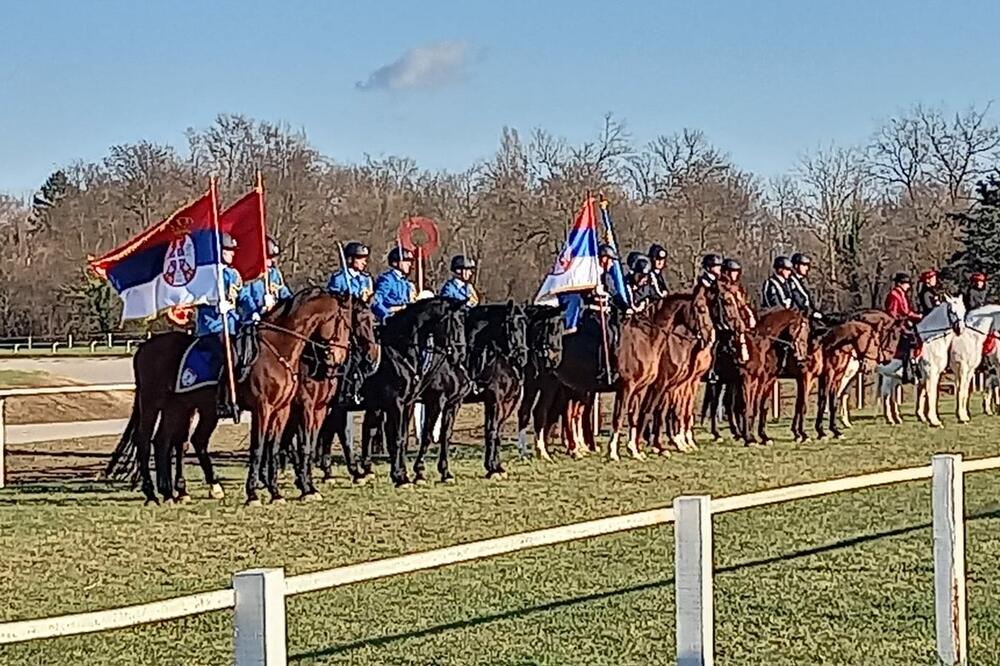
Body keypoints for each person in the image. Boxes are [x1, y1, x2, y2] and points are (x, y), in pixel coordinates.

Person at [193, 232, 254, 418]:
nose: (232, 253)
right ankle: (222, 399)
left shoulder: (234, 274)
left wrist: (254, 311)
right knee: (231, 358)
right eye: (228, 250)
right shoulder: (206, 274)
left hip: (233, 325)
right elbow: (195, 296)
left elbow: (243, 297)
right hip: (211, 326)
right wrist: (213, 303)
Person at [242, 236, 292, 321]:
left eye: (273, 258)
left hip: (275, 317)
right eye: (269, 258)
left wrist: (291, 302)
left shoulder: (274, 274)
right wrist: (254, 311)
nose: (273, 261)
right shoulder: (251, 276)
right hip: (255, 319)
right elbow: (245, 297)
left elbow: (283, 292)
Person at [884, 272, 922, 383]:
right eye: (906, 283)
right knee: (909, 341)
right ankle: (905, 370)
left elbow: (906, 311)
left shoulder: (901, 294)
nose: (908, 286)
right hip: (896, 324)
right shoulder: (894, 295)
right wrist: (915, 316)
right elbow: (894, 312)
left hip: (904, 322)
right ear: (900, 284)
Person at [371, 246, 416, 323]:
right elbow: (376, 302)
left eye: (411, 261)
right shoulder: (387, 280)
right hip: (393, 319)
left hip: (406, 318)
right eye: (406, 261)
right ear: (395, 263)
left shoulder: (406, 283)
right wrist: (386, 315)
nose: (410, 264)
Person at [721, 258, 757, 328]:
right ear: (727, 272)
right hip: (730, 325)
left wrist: (750, 316)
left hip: (743, 323)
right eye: (733, 271)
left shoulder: (739, 289)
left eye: (737, 271)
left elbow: (744, 305)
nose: (736, 274)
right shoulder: (721, 289)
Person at [788, 252, 822, 320]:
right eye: (803, 265)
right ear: (796, 266)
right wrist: (811, 313)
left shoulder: (802, 282)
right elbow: (798, 300)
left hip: (806, 313)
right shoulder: (791, 282)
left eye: (807, 265)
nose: (807, 268)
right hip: (797, 316)